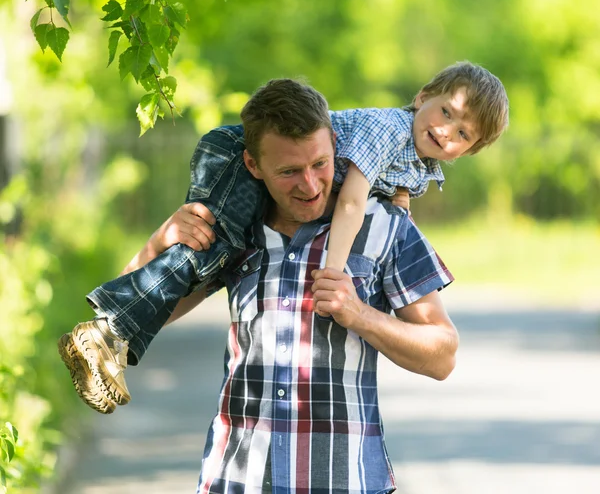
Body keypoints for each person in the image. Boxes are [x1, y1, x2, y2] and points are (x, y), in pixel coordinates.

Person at [58, 63, 509, 415]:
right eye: (289, 171)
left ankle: (107, 336)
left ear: (335, 143)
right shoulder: (251, 214)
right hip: (237, 475)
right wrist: (161, 242)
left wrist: (360, 314)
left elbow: (443, 355)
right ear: (255, 167)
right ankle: (105, 334)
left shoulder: (390, 221)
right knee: (207, 250)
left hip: (341, 477)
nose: (311, 187)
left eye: (320, 165)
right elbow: (155, 296)